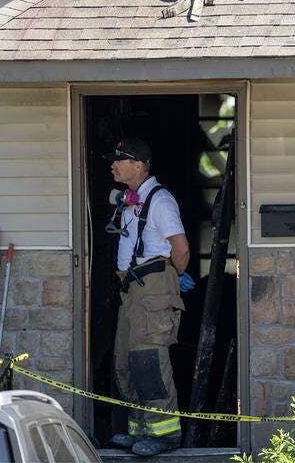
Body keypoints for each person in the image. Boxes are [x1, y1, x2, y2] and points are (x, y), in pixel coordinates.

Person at [104, 137, 194, 458]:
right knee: (126, 360)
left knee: (149, 360)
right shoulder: (134, 199)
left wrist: (172, 276)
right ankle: (141, 428)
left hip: (152, 287)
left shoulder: (160, 201)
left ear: (139, 166)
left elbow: (180, 249)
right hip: (132, 290)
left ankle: (165, 433)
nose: (113, 165)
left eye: (120, 160)